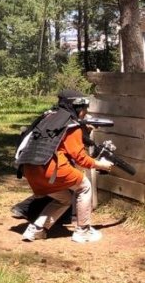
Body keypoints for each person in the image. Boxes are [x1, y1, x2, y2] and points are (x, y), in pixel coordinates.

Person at [15, 89, 113, 244]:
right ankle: (83, 231)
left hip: (29, 169)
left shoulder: (48, 117)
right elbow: (81, 159)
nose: (85, 113)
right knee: (84, 187)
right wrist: (101, 164)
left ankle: (37, 229)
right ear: (78, 108)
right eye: (85, 109)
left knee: (65, 199)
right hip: (50, 169)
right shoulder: (71, 125)